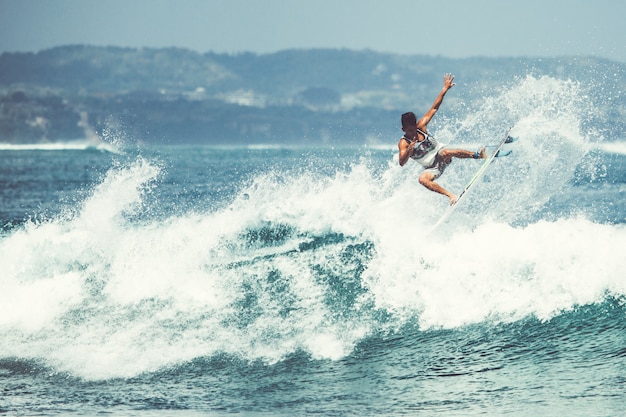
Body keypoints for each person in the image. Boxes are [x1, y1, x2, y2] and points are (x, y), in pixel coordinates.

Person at [398, 73, 485, 205]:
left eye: (413, 128)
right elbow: (401, 162)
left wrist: (445, 88)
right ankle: (451, 196)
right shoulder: (404, 143)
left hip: (442, 155)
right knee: (422, 179)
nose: (412, 132)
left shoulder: (421, 127)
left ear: (416, 125)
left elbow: (434, 108)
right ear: (403, 129)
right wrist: (409, 150)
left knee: (445, 152)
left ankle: (478, 155)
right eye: (408, 130)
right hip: (432, 167)